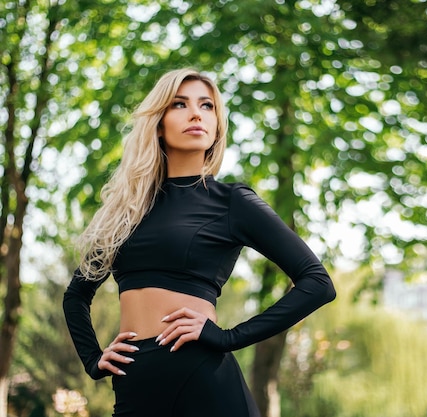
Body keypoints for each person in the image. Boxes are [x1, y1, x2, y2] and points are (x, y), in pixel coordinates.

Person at [63, 68, 336, 417]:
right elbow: (76, 295)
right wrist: (93, 358)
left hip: (202, 376)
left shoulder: (232, 201)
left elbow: (317, 283)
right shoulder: (124, 210)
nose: (196, 113)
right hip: (135, 380)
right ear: (158, 123)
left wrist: (228, 337)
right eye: (180, 104)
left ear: (217, 126)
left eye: (207, 106)